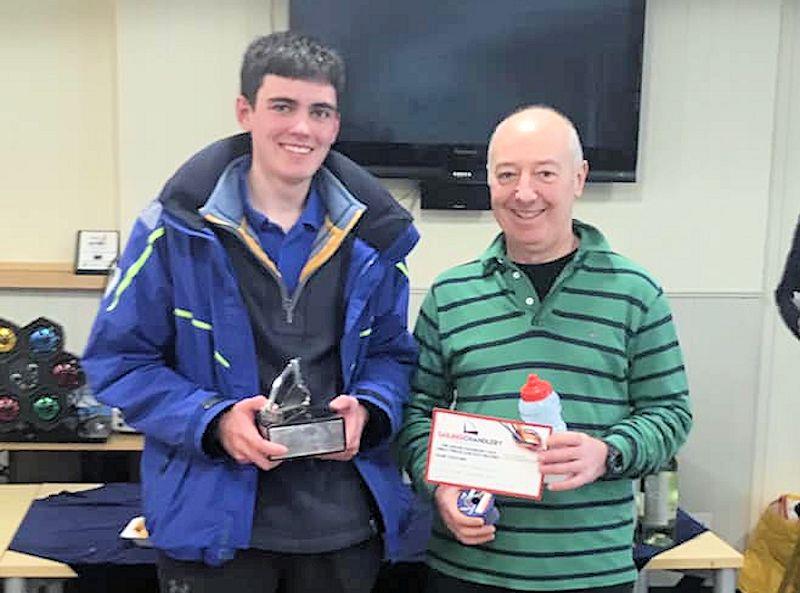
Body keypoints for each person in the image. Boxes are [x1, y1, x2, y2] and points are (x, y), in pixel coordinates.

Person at [83, 31, 422, 593]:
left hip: (342, 530)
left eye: (320, 112)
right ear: (246, 112)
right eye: (283, 107)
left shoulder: (377, 240)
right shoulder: (169, 232)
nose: (302, 128)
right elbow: (116, 361)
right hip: (214, 530)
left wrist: (369, 409)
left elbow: (393, 355)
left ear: (336, 125)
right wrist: (211, 420)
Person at [398, 106, 693, 593]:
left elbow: (671, 413)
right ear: (489, 183)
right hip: (467, 569)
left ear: (578, 179)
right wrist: (439, 488)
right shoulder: (450, 295)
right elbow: (415, 414)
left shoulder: (635, 293)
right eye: (507, 175)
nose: (525, 192)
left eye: (545, 173)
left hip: (591, 571)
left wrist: (608, 452)